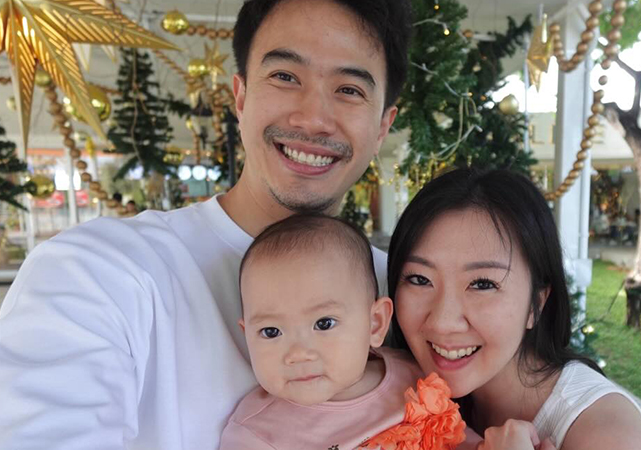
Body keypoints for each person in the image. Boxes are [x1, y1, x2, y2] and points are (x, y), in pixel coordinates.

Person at [0, 0, 411, 448]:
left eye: (349, 89)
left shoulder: (406, 293)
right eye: (285, 76)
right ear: (241, 97)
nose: (312, 118)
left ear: (382, 127)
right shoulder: (98, 272)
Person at [386, 168, 641, 450]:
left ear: (536, 303)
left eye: (482, 284)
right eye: (419, 279)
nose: (443, 322)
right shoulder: (398, 389)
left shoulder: (608, 435)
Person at [220, 213, 470, 449]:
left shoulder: (416, 379)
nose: (298, 354)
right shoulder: (256, 434)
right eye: (271, 332)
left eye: (324, 324)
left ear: (375, 323)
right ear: (246, 335)